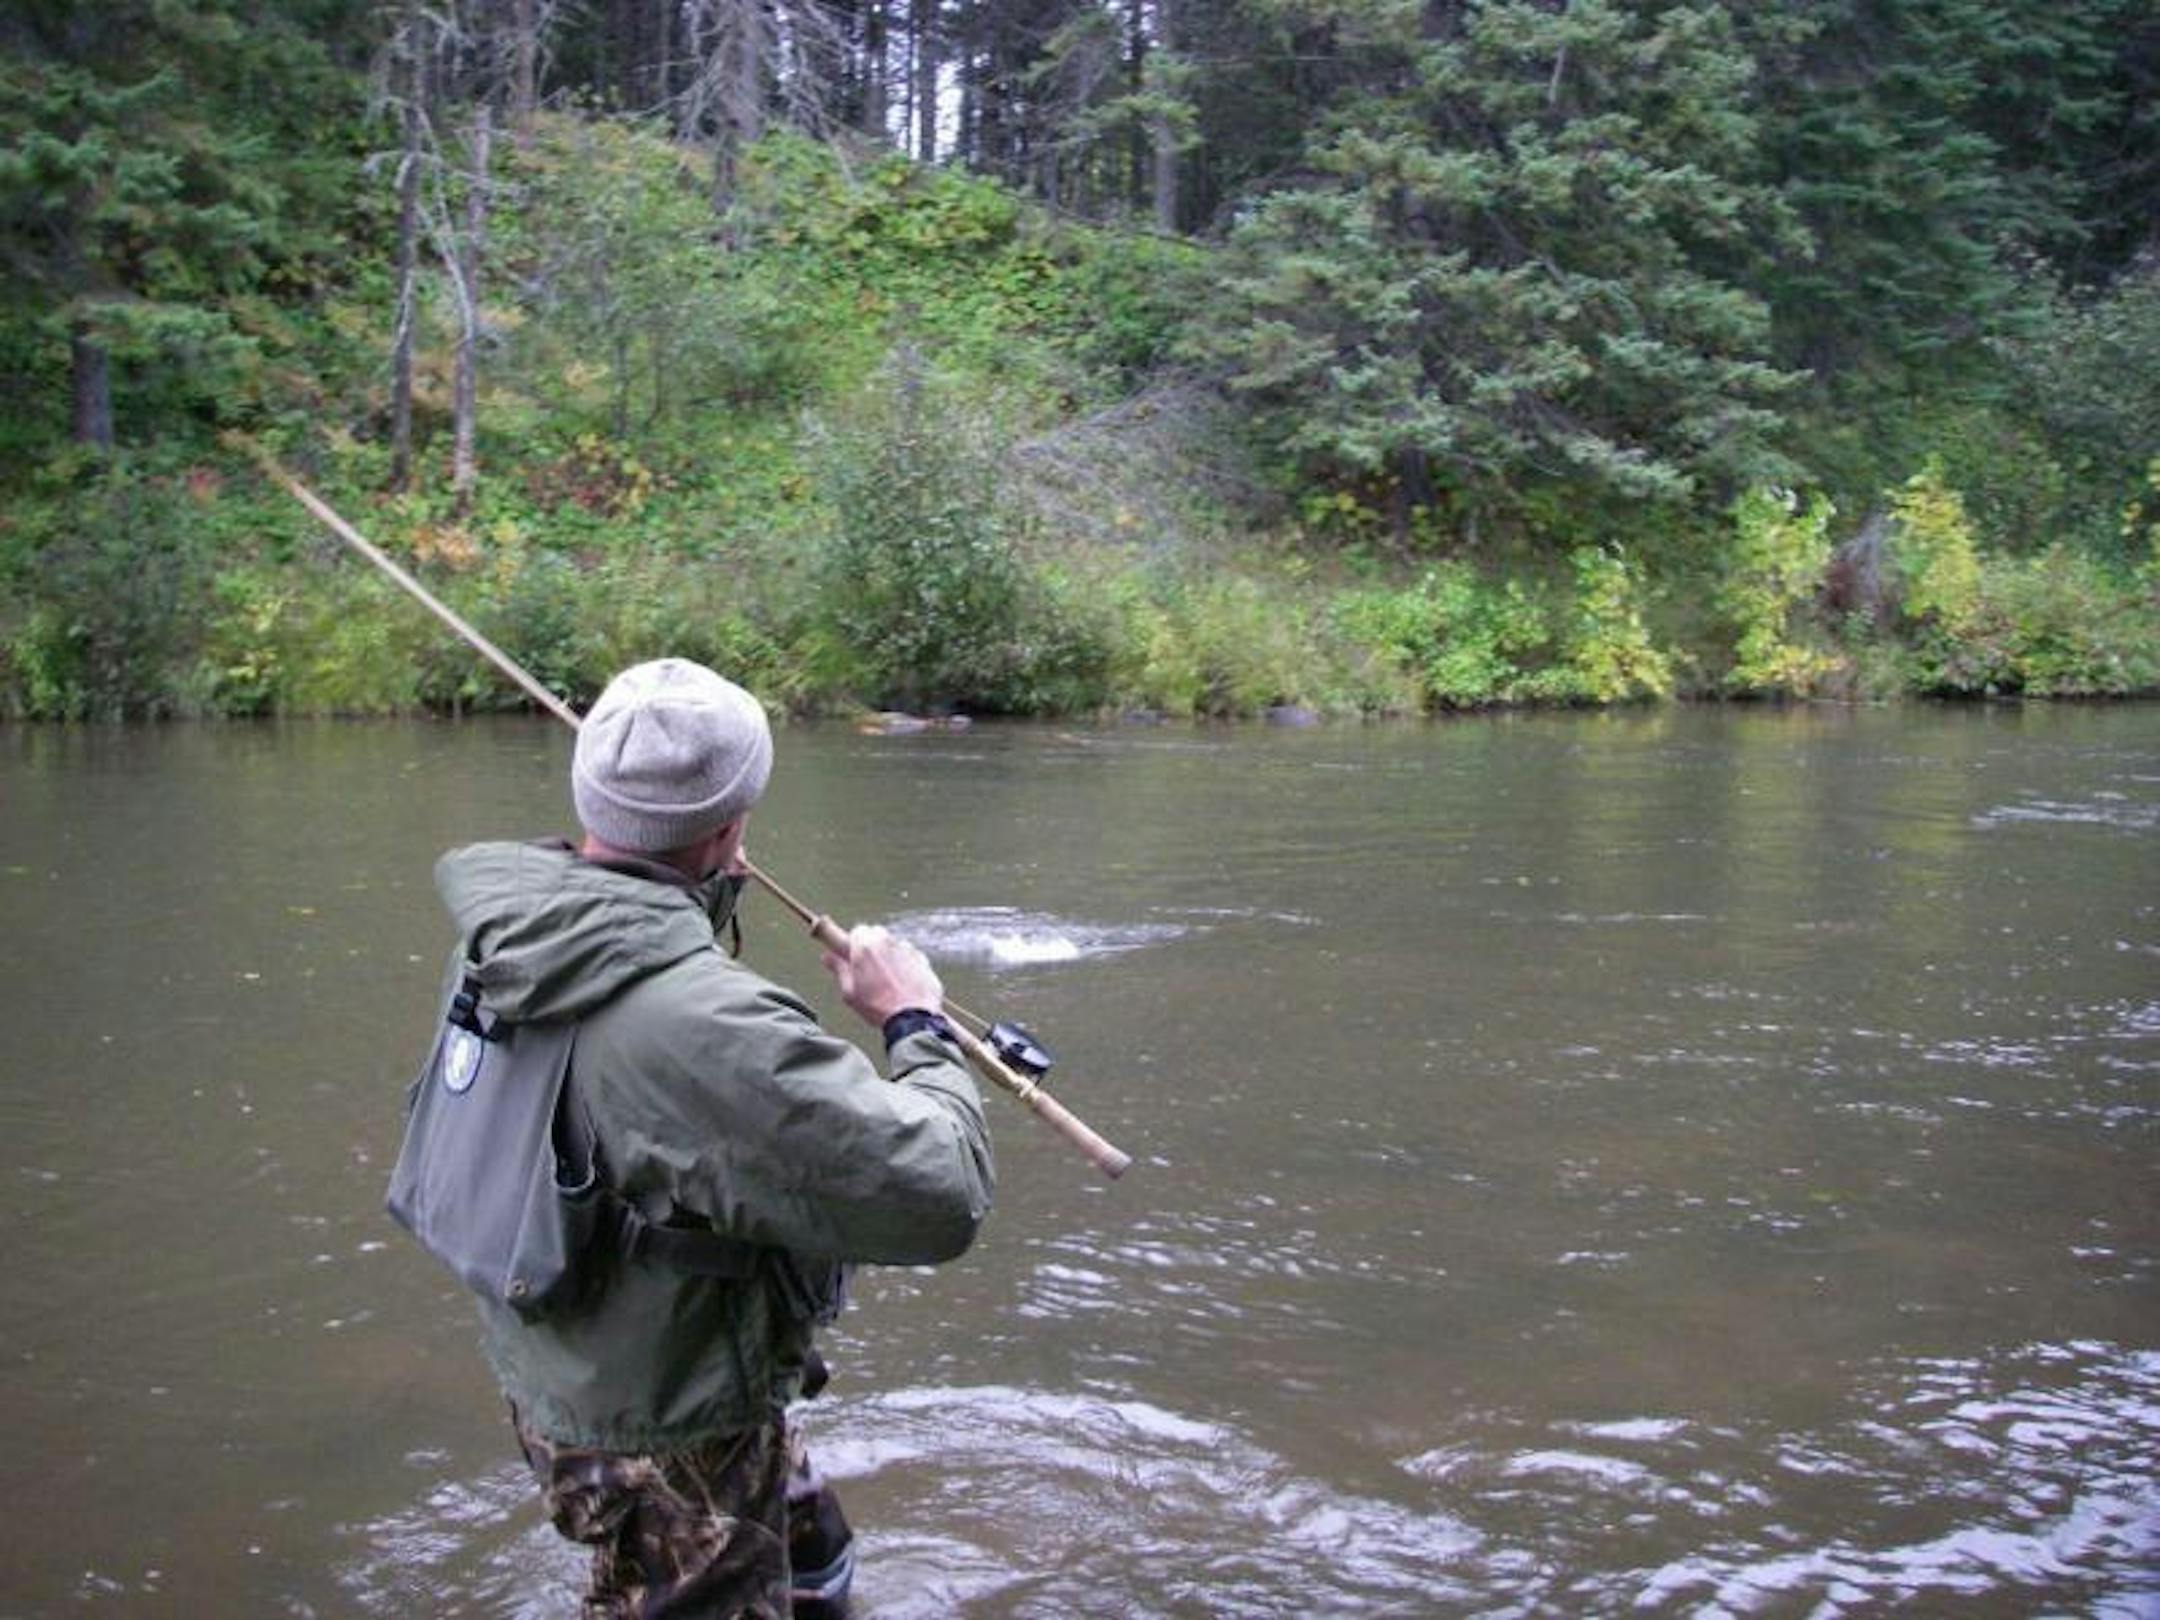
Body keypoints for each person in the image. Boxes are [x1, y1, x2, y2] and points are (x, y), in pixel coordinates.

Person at [426, 657, 995, 1617]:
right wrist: (915, 1025)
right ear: (731, 828)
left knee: (814, 1553)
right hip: (668, 1423)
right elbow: (938, 1193)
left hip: (557, 1371)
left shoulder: (510, 939)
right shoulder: (698, 1023)